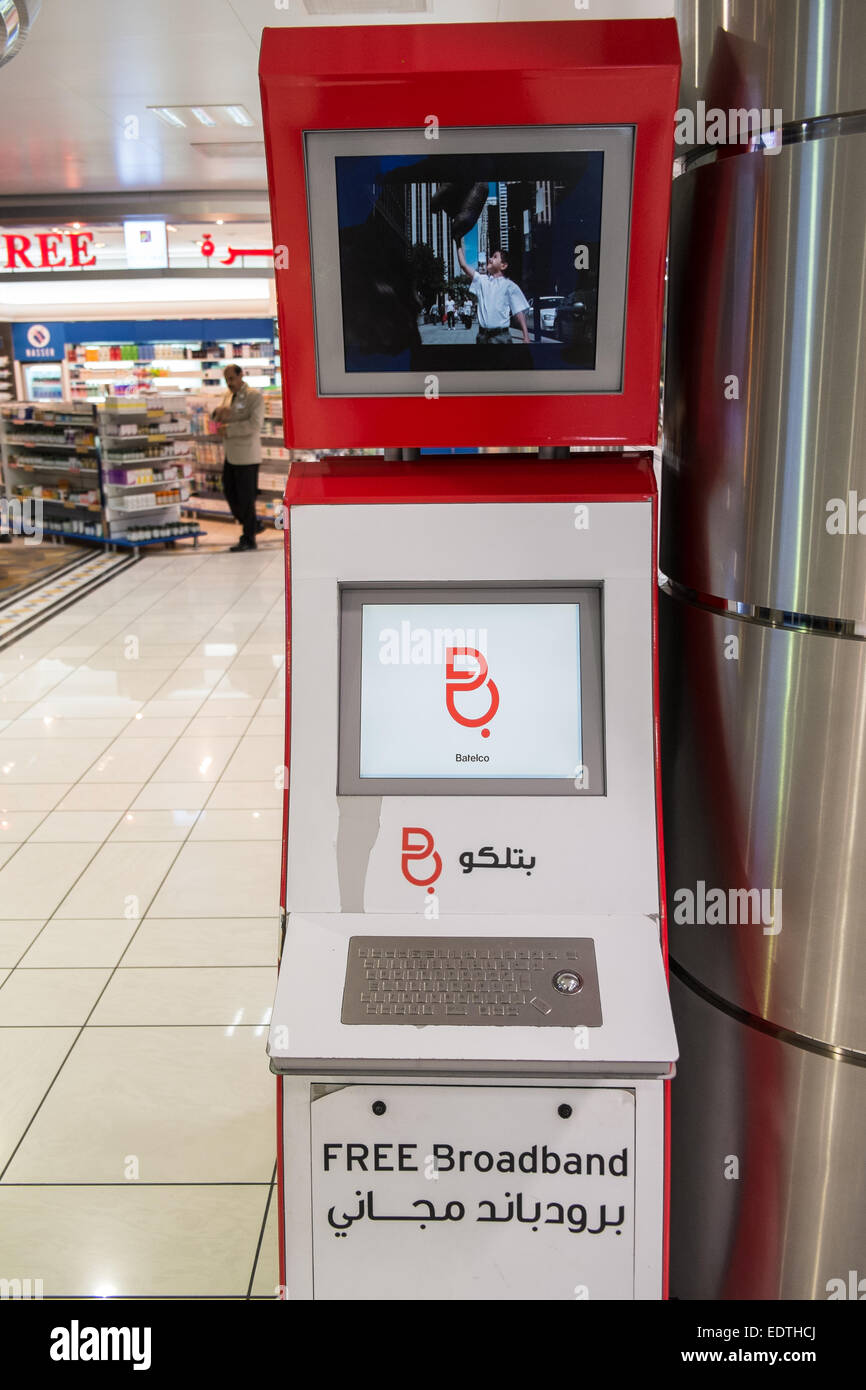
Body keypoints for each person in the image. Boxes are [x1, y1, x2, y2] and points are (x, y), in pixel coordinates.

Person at [211, 364, 265, 552]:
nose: (229, 383)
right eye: (226, 380)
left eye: (232, 379)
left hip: (247, 455)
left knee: (246, 498)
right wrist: (216, 415)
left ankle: (248, 538)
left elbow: (255, 424)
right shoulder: (227, 395)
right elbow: (223, 414)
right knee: (229, 492)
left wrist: (229, 430)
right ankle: (252, 524)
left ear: (241, 375)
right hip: (231, 454)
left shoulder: (253, 396)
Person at [456, 242, 530, 346]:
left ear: (503, 266)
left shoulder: (509, 285)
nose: (490, 259)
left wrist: (525, 336)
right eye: (491, 256)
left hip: (501, 337)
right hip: (482, 336)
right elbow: (463, 266)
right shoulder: (482, 280)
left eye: (495, 257)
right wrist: (458, 244)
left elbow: (518, 311)